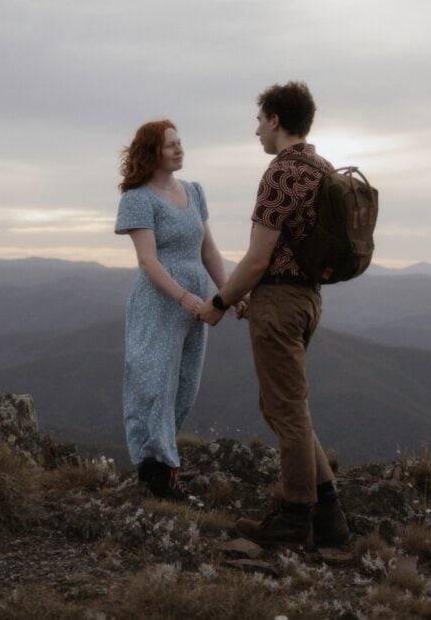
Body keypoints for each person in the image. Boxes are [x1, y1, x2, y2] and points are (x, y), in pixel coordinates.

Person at [197, 81, 350, 547]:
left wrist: (220, 302)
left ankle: (294, 519)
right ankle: (329, 518)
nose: (257, 131)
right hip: (308, 301)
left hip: (280, 303)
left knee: (285, 411)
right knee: (289, 408)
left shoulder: (282, 174)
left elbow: (258, 257)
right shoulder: (322, 168)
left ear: (277, 121)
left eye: (260, 121)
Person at [115, 119, 228, 500]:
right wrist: (182, 297)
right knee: (155, 384)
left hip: (197, 304)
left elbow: (208, 250)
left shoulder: (194, 192)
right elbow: (148, 261)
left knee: (185, 386)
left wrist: (229, 293)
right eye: (170, 146)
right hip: (161, 303)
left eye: (180, 143)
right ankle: (161, 471)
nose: (179, 149)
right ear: (152, 153)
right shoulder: (138, 198)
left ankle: (156, 466)